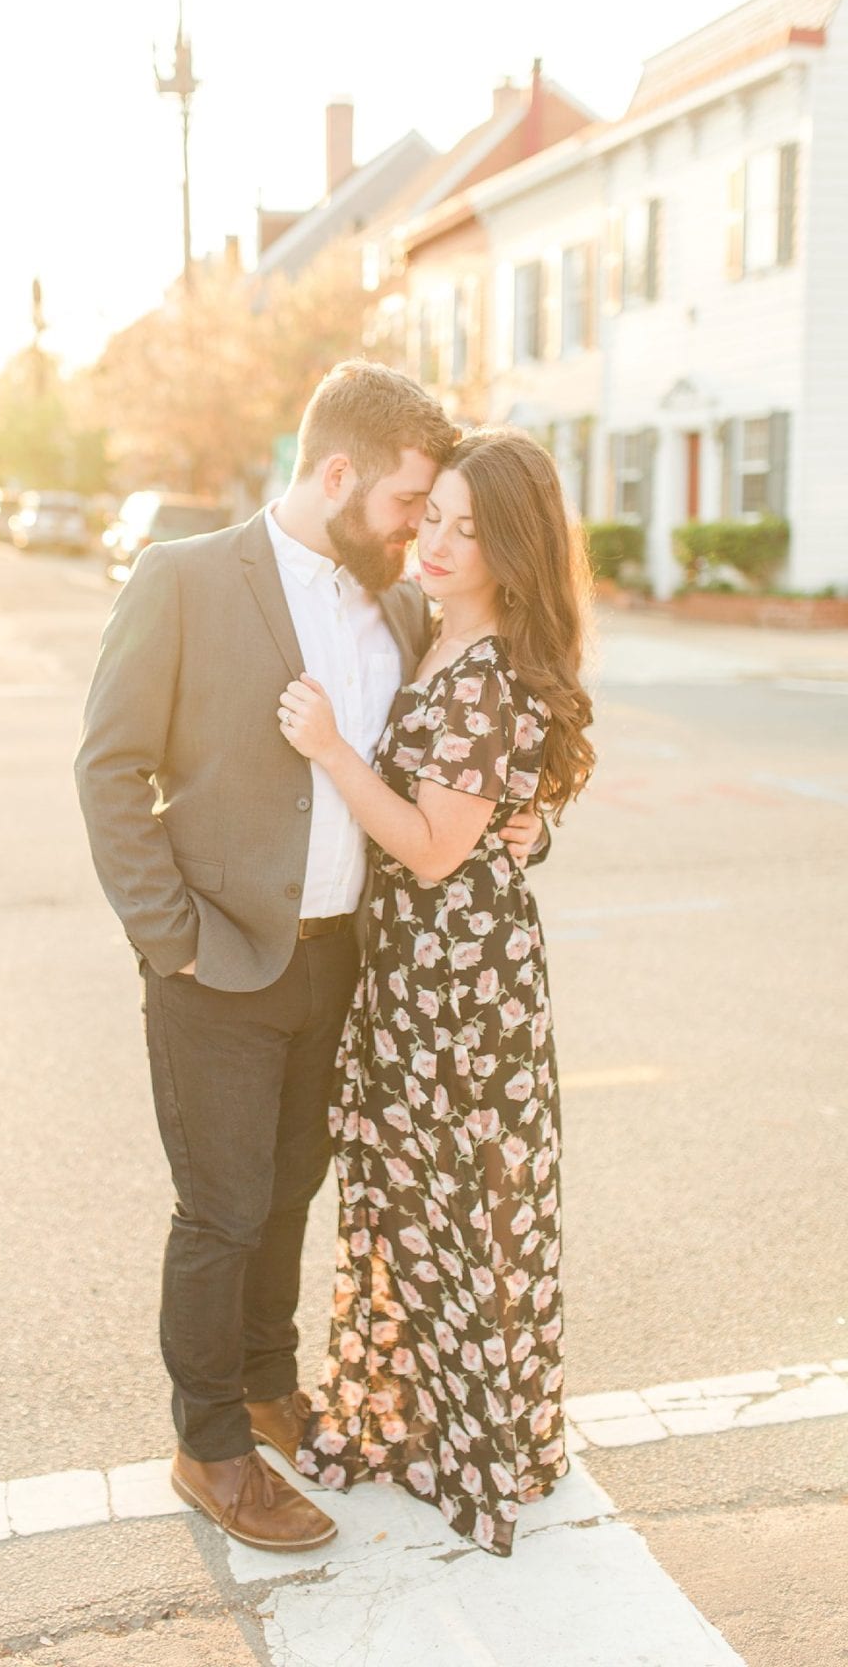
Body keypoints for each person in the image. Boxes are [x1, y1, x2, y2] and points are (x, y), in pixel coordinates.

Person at [74, 363, 545, 1552]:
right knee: (223, 1209)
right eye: (407, 504)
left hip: (348, 967)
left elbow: (467, 751)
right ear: (338, 474)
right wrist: (168, 939)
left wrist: (525, 821)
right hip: (216, 966)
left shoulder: (397, 607)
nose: (418, 531)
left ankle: (272, 1389)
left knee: (293, 1192)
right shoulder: (182, 578)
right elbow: (110, 768)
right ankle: (210, 1447)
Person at [277, 427, 595, 1558]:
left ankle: (466, 1444)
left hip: (458, 988)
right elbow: (492, 813)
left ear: (514, 550)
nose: (440, 542)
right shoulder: (439, 635)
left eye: (470, 528)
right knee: (419, 1196)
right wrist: (528, 820)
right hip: (422, 969)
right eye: (436, 517)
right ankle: (427, 1423)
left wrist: (330, 749)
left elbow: (424, 847)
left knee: (457, 1203)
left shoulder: (485, 664)